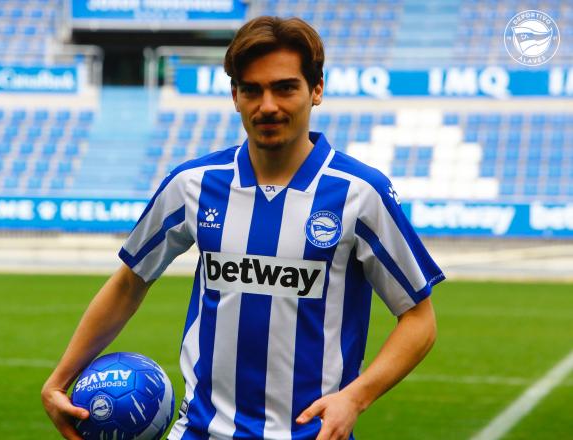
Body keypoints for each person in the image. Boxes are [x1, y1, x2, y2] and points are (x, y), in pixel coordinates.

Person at [42, 16, 445, 440]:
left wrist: (355, 397)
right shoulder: (193, 184)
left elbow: (419, 319)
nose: (267, 105)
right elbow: (129, 283)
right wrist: (59, 379)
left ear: (317, 90)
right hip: (201, 432)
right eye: (252, 89)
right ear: (235, 96)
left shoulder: (361, 194)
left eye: (285, 87)